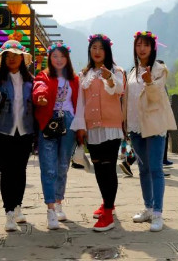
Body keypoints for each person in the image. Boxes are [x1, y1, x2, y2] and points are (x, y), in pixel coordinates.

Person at [123, 31, 177, 232]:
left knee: (155, 169)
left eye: (146, 45)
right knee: (143, 168)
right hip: (135, 125)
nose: (142, 48)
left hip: (154, 125)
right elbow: (127, 99)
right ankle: (148, 207)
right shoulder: (132, 71)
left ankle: (158, 213)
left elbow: (156, 96)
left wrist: (148, 81)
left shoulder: (160, 69)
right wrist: (124, 123)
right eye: (138, 45)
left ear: (152, 48)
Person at [71, 34, 124, 232]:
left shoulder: (116, 71)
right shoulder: (84, 74)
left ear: (107, 51)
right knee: (99, 168)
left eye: (101, 48)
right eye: (94, 47)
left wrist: (109, 78)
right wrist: (81, 126)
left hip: (111, 126)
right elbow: (80, 102)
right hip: (92, 127)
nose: (97, 51)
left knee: (108, 168)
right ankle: (107, 203)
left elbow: (118, 90)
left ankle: (108, 213)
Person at [0, 40, 35, 232]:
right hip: (3, 130)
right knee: (7, 171)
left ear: (22, 58)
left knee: (20, 170)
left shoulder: (31, 81)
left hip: (25, 130)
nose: (11, 59)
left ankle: (17, 206)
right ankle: (8, 211)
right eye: (7, 56)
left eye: (15, 55)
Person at [33, 42, 79, 229]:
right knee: (48, 166)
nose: (59, 60)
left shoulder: (74, 79)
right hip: (49, 121)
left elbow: (80, 102)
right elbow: (39, 87)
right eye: (55, 56)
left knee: (63, 165)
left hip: (69, 122)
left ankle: (59, 202)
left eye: (62, 56)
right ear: (49, 59)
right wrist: (41, 97)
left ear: (67, 59)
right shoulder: (43, 76)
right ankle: (50, 209)